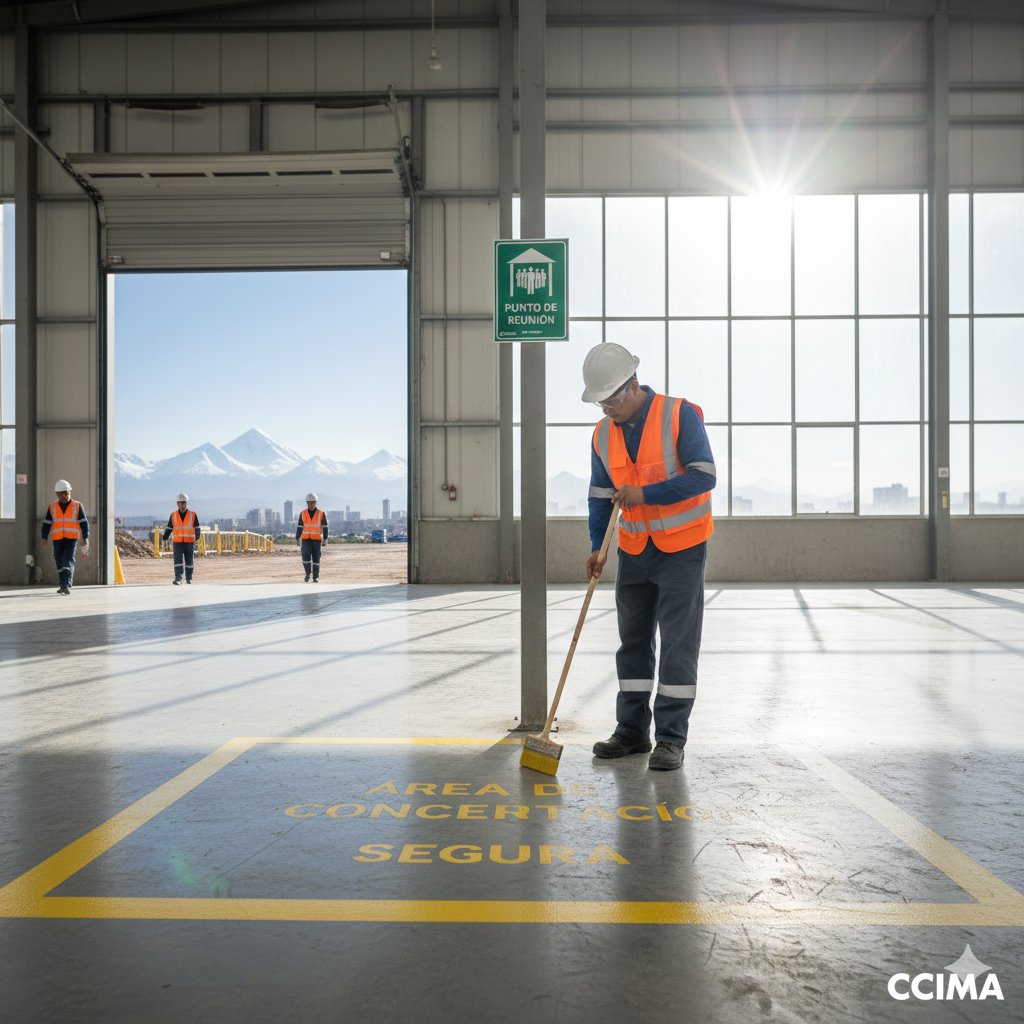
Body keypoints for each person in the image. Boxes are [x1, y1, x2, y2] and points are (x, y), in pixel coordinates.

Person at [582, 343, 716, 771]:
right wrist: (595, 546)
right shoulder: (603, 434)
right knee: (633, 642)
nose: (606, 410)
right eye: (600, 402)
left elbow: (704, 475)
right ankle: (632, 731)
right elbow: (601, 497)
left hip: (682, 549)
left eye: (611, 400)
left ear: (632, 385)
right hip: (634, 550)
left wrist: (647, 494)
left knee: (678, 644)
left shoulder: (680, 415)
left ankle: (671, 739)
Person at [41, 479, 89, 595]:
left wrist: (85, 537)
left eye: (66, 493)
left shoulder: (77, 506)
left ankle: (66, 584)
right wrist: (44, 537)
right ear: (57, 494)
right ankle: (63, 585)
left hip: (71, 539)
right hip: (57, 539)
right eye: (62, 494)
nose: (64, 496)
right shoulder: (52, 507)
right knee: (59, 561)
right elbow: (47, 523)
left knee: (67, 560)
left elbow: (84, 522)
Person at [162, 493, 201, 585]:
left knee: (189, 561)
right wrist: (166, 535)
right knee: (178, 561)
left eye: (183, 503)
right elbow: (169, 527)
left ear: (186, 503)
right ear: (177, 504)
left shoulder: (193, 514)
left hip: (189, 542)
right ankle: (178, 578)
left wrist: (197, 536)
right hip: (177, 542)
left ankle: (188, 578)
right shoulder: (173, 515)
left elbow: (197, 527)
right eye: (180, 503)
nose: (181, 505)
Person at [296, 492, 328, 582]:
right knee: (305, 559)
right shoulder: (303, 513)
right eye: (309, 502)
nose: (311, 504)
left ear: (316, 502)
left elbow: (325, 527)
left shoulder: (321, 514)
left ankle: (315, 577)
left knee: (316, 559)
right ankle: (307, 574)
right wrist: (297, 538)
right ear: (306, 503)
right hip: (306, 540)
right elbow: (299, 527)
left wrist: (325, 539)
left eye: (313, 502)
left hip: (316, 540)